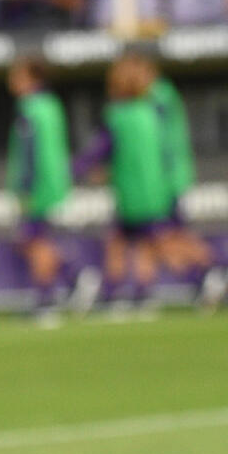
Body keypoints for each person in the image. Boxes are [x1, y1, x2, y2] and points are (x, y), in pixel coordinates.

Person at [134, 53, 228, 307]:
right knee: (158, 236)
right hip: (163, 178)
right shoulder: (160, 95)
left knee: (165, 236)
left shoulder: (157, 97)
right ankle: (148, 291)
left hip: (164, 180)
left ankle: (219, 270)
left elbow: (159, 143)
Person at [73, 55, 171, 314]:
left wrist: (74, 170)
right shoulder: (151, 113)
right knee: (144, 245)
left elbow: (100, 150)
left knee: (118, 243)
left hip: (131, 193)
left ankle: (113, 294)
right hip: (154, 191)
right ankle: (143, 294)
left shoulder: (118, 116)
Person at [6, 57, 97, 324]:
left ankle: (50, 298)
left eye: (17, 76)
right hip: (53, 183)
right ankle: (71, 281)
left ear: (32, 79)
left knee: (34, 242)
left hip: (38, 187)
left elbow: (29, 154)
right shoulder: (51, 105)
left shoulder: (30, 108)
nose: (12, 82)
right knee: (33, 241)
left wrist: (24, 189)